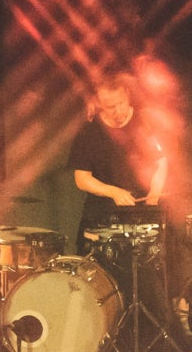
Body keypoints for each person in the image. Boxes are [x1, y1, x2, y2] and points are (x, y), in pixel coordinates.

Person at [70, 73, 168, 247]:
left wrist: (153, 195)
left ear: (127, 96)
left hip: (142, 215)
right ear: (100, 104)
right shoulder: (89, 132)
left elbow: (161, 162)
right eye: (110, 106)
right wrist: (114, 192)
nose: (118, 111)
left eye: (121, 103)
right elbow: (82, 179)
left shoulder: (145, 123)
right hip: (101, 217)